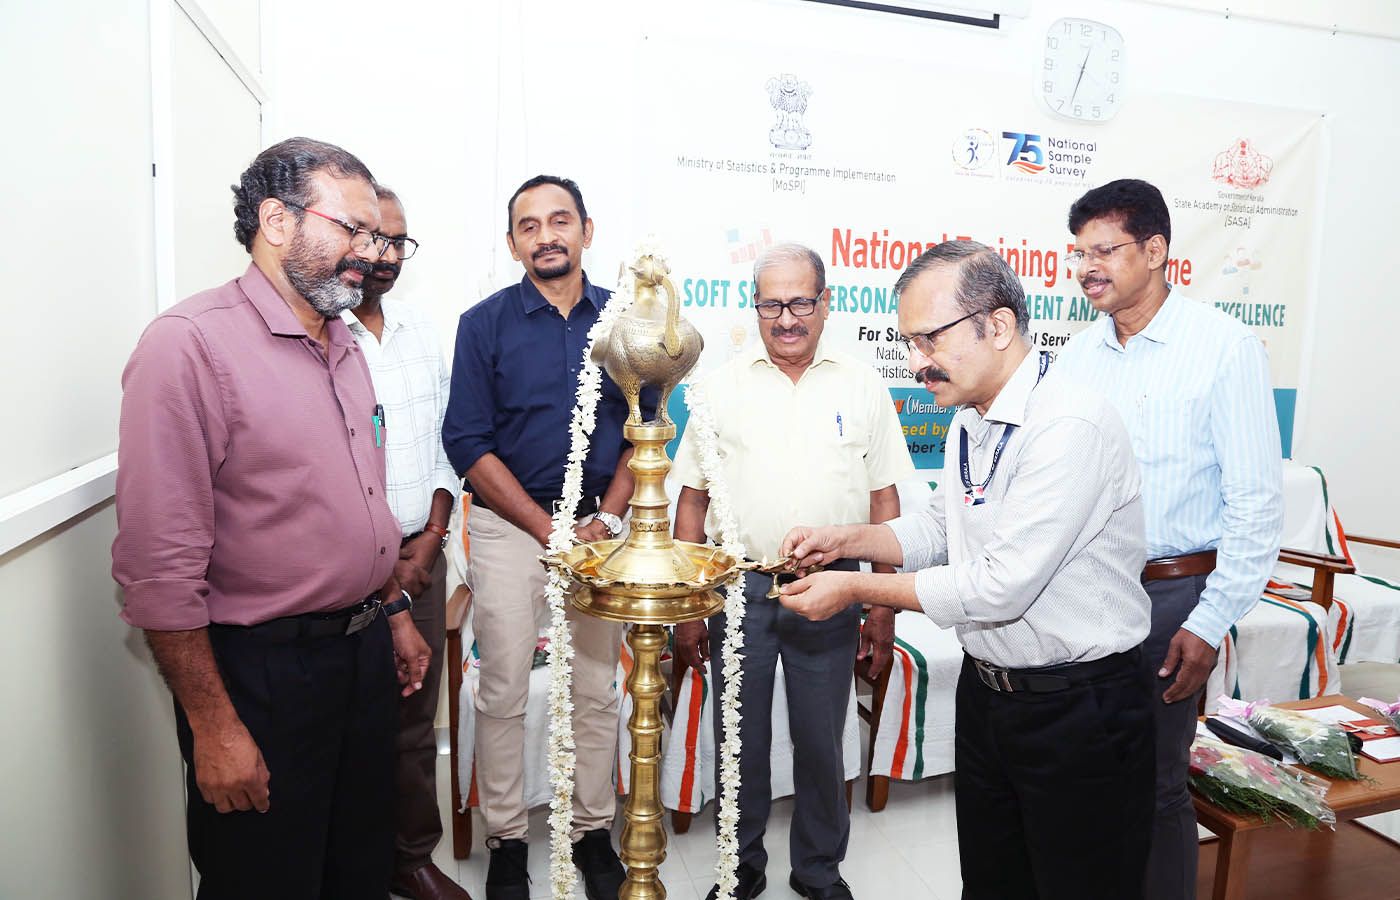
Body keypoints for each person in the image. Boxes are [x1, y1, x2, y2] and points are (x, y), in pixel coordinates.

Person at [777, 241, 1155, 900]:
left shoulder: (1067, 425)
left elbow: (997, 586)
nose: (915, 361)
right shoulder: (971, 418)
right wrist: (843, 540)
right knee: (991, 882)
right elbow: (937, 530)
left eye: (930, 339)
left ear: (998, 325)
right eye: (908, 342)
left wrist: (853, 586)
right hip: (990, 698)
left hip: (1079, 710)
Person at [112, 137, 431, 899]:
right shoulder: (189, 347)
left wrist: (392, 615)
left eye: (379, 236)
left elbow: (360, 506)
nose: (371, 253)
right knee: (265, 876)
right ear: (276, 221)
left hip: (362, 660)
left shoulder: (343, 343)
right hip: (262, 676)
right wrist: (215, 728)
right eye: (352, 230)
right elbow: (160, 571)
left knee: (356, 869)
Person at [1055, 178, 1283, 900]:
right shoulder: (1077, 358)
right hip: (1083, 594)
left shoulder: (1223, 348)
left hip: (1172, 601)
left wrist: (1209, 621)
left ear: (1155, 251)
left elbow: (1255, 504)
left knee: (1156, 788)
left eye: (1105, 250)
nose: (1088, 267)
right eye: (1079, 253)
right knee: (1084, 779)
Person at [671, 243, 913, 900]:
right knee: (738, 742)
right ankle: (739, 868)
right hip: (737, 588)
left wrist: (882, 603)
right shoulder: (717, 389)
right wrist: (688, 607)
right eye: (772, 304)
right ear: (754, 308)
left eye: (801, 302)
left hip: (831, 586)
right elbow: (690, 501)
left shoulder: (862, 384)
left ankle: (818, 870)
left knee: (821, 741)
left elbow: (884, 500)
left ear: (826, 303)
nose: (786, 318)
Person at [442, 175, 645, 900]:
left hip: (599, 530)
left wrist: (607, 519)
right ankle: (506, 840)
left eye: (560, 220)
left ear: (587, 230)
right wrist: (544, 527)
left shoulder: (627, 324)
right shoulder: (483, 325)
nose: (546, 236)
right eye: (528, 226)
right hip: (509, 530)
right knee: (501, 689)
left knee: (595, 687)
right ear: (512, 244)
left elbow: (646, 432)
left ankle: (592, 831)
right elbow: (466, 441)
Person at [340, 185, 469, 900]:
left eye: (398, 242)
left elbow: (450, 440)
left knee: (414, 720)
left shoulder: (420, 327)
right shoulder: (321, 330)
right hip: (348, 569)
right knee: (349, 724)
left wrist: (435, 536)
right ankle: (358, 866)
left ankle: (412, 859)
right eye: (373, 240)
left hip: (424, 553)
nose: (386, 255)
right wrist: (389, 564)